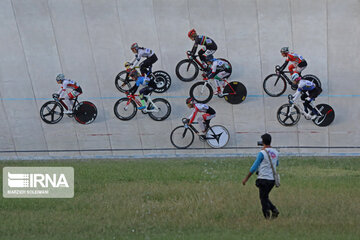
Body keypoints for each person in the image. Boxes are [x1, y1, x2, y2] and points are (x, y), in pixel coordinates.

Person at [242, 133, 280, 219]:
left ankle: (271, 213)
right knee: (264, 197)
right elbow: (276, 164)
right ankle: (271, 213)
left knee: (263, 199)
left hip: (263, 179)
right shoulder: (276, 152)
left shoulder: (262, 153)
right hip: (272, 180)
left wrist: (246, 179)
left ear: (263, 142)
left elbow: (253, 168)